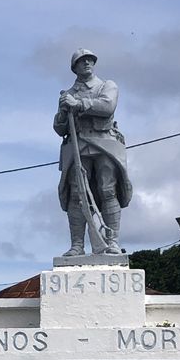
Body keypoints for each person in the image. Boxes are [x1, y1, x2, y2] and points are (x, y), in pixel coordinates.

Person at [53, 48, 133, 256]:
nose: (87, 63)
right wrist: (62, 112)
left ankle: (112, 241)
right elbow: (59, 129)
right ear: (75, 67)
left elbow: (107, 106)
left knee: (108, 190)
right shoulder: (67, 94)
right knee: (77, 195)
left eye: (90, 60)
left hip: (104, 142)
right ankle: (77, 245)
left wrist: (78, 105)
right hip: (77, 144)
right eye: (82, 61)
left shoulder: (107, 86)